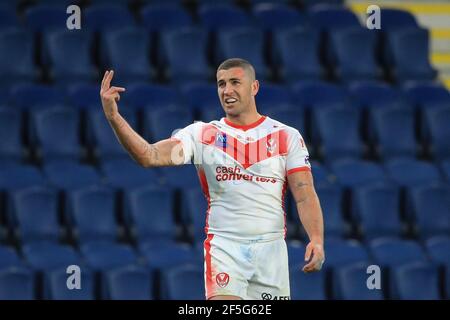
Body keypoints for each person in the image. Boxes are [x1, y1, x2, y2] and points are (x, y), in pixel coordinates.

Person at [100, 58, 325, 300]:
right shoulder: (203, 135)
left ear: (254, 87)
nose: (227, 90)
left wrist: (317, 239)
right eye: (221, 84)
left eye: (235, 82)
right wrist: (114, 117)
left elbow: (304, 192)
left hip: (272, 252)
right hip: (225, 248)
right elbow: (150, 156)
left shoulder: (285, 136)